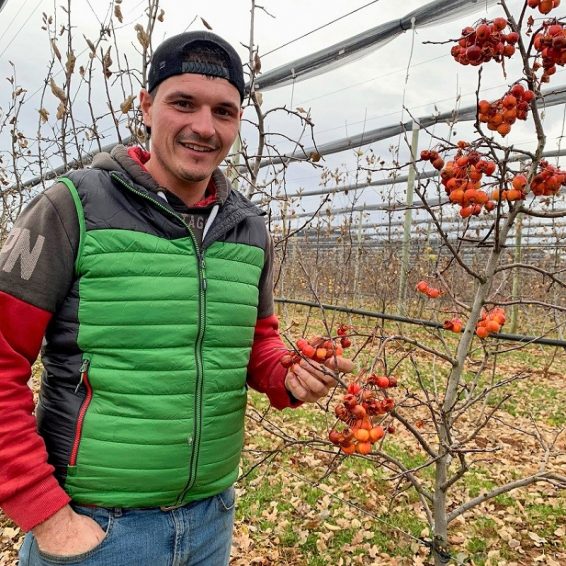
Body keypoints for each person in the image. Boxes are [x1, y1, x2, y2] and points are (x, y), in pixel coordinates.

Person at [0, 31, 353, 565]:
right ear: (147, 106)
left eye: (224, 111)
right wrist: (46, 515)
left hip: (209, 520)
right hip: (97, 529)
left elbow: (255, 344)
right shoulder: (71, 207)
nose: (204, 127)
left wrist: (289, 373)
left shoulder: (247, 227)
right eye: (182, 103)